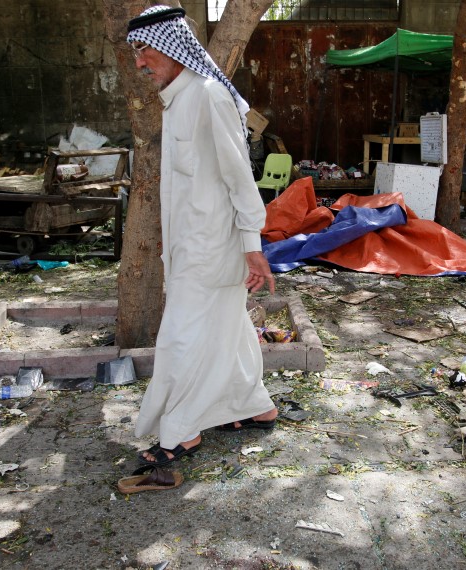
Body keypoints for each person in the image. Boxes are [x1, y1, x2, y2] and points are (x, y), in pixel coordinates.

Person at [126, 5, 278, 467]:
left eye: (145, 49)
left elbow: (240, 178)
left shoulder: (209, 95)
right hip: (188, 248)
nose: (139, 62)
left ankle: (179, 430)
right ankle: (255, 407)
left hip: (213, 249)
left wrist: (253, 247)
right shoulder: (178, 98)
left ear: (172, 45)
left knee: (182, 338)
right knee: (228, 331)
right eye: (135, 52)